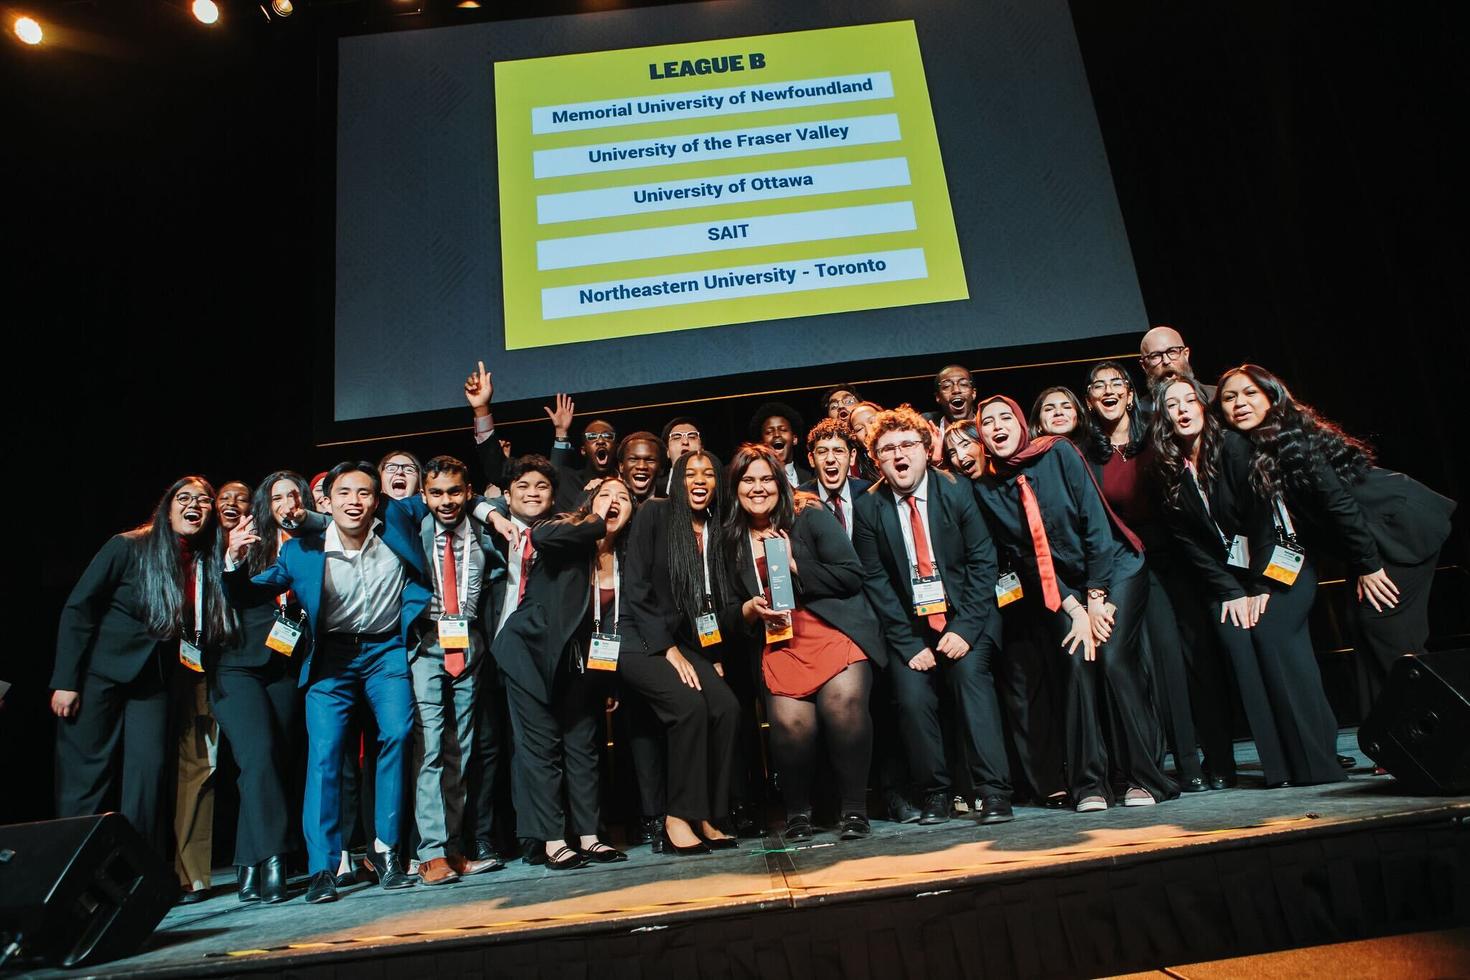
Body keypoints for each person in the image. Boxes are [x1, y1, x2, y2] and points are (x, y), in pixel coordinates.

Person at [224, 461, 429, 904]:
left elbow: (439, 495)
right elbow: (247, 593)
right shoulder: (301, 551)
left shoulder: (395, 524)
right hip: (331, 658)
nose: (354, 502)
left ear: (377, 500)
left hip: (384, 651)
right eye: (344, 494)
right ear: (327, 502)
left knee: (397, 733)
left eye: (363, 493)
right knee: (325, 756)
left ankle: (388, 853)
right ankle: (323, 868)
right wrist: (233, 562)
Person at [973, 396, 1177, 812]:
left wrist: (1097, 598)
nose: (997, 426)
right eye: (987, 422)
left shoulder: (1058, 452)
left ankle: (1144, 778)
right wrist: (1076, 609)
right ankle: (1090, 785)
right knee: (1076, 663)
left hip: (1116, 568)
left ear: (1020, 423)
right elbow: (1030, 560)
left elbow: (1095, 523)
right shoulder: (988, 488)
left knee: (1115, 658)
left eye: (1004, 418)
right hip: (1063, 589)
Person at [1217, 365, 1455, 717]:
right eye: (1229, 397)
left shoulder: (1292, 437)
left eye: (1250, 393)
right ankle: (1393, 737)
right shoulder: (1255, 449)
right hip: (1368, 539)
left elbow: (1340, 505)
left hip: (1400, 526)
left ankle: (1434, 732)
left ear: (1272, 396)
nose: (1240, 403)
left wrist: (1369, 565)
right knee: (1363, 626)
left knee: (1387, 630)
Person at [1151, 375, 1345, 787]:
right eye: (1173, 405)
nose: (1183, 409)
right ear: (1163, 418)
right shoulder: (1168, 470)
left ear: (1204, 408)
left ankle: (1315, 761)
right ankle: (1279, 770)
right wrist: (1230, 592)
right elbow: (1191, 544)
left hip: (1277, 567)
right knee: (1237, 641)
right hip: (1229, 583)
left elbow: (1262, 525)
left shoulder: (1235, 450)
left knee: (1271, 638)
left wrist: (1258, 588)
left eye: (1190, 400)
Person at [52, 477, 236, 866]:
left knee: (149, 774)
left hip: (153, 681)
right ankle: (73, 871)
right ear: (167, 507)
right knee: (86, 776)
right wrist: (66, 681)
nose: (195, 505)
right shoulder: (128, 546)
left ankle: (137, 872)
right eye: (184, 498)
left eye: (204, 501)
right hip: (99, 674)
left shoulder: (204, 560)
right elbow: (78, 609)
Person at [852, 405, 1015, 826]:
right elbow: (875, 581)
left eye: (907, 445)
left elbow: (983, 562)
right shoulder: (869, 508)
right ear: (877, 460)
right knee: (911, 696)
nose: (899, 455)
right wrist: (908, 644)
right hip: (910, 629)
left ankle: (994, 792)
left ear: (926, 450)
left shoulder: (956, 490)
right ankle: (936, 794)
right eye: (887, 449)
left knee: (970, 681)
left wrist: (964, 628)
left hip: (967, 616)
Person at [724, 445, 883, 840]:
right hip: (780, 640)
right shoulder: (728, 540)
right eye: (748, 480)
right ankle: (798, 813)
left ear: (779, 483)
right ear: (736, 487)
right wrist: (748, 610)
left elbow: (851, 575)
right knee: (791, 725)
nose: (758, 488)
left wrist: (797, 562)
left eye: (765, 479)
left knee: (844, 706)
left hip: (832, 630)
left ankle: (853, 811)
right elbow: (725, 608)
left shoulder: (808, 514)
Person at [1082, 362, 1219, 791]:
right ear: (1090, 400)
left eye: (1115, 384)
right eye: (1098, 386)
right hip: (1125, 565)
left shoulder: (1155, 441)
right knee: (1142, 664)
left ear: (1129, 394)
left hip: (1174, 561)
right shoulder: (1087, 453)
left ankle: (1202, 763)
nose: (1107, 390)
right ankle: (1162, 765)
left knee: (1183, 658)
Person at [498, 476, 636, 869]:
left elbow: (610, 623)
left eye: (622, 497)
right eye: (604, 495)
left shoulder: (625, 557)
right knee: (542, 750)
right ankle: (554, 840)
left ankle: (590, 835)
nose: (613, 502)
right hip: (531, 654)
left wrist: (606, 678)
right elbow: (540, 538)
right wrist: (593, 518)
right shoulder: (564, 534)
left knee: (583, 746)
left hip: (582, 664)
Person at [622, 451, 743, 853]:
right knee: (689, 707)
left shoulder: (713, 527)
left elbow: (703, 604)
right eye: (690, 473)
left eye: (709, 473)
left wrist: (714, 653)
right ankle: (676, 818)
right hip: (636, 637)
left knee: (725, 707)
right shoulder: (655, 513)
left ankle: (706, 813)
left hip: (684, 640)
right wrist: (668, 649)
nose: (700, 479)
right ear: (676, 480)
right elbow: (636, 586)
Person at [212, 472, 311, 904]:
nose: (287, 502)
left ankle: (247, 860)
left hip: (287, 667)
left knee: (274, 764)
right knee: (258, 756)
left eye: (294, 495)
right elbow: (233, 593)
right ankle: (274, 858)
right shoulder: (247, 542)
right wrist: (233, 557)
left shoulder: (315, 546)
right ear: (265, 505)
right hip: (237, 666)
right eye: (277, 496)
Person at [407, 456, 506, 885]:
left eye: (454, 492)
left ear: (468, 493)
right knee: (429, 746)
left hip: (468, 641)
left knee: (461, 750)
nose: (446, 501)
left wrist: (487, 510)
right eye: (437, 493)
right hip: (425, 642)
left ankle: (453, 848)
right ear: (424, 495)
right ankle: (430, 852)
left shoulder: (487, 530)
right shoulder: (411, 529)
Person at [171, 481, 246, 901]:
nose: (230, 506)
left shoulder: (229, 550)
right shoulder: (172, 551)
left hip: (214, 667)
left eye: (241, 499)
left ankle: (192, 874)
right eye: (223, 500)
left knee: (201, 767)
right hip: (165, 670)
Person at [798, 417, 872, 540]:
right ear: (811, 459)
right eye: (822, 452)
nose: (830, 459)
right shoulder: (798, 500)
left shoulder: (869, 494)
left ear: (852, 456)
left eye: (838, 451)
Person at [1139, 325, 1214, 400]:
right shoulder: (1140, 410)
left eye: (1172, 352)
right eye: (1156, 356)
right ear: (1144, 366)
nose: (1166, 361)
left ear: (1185, 354)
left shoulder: (1216, 398)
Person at [750, 401, 813, 487]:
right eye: (769, 432)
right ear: (761, 443)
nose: (776, 434)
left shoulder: (810, 477)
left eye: (783, 430)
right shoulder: (755, 477)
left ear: (794, 439)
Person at [661, 416, 703, 497]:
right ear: (667, 451)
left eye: (692, 437)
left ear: (702, 448)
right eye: (676, 437)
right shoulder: (655, 488)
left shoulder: (719, 485)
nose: (685, 442)